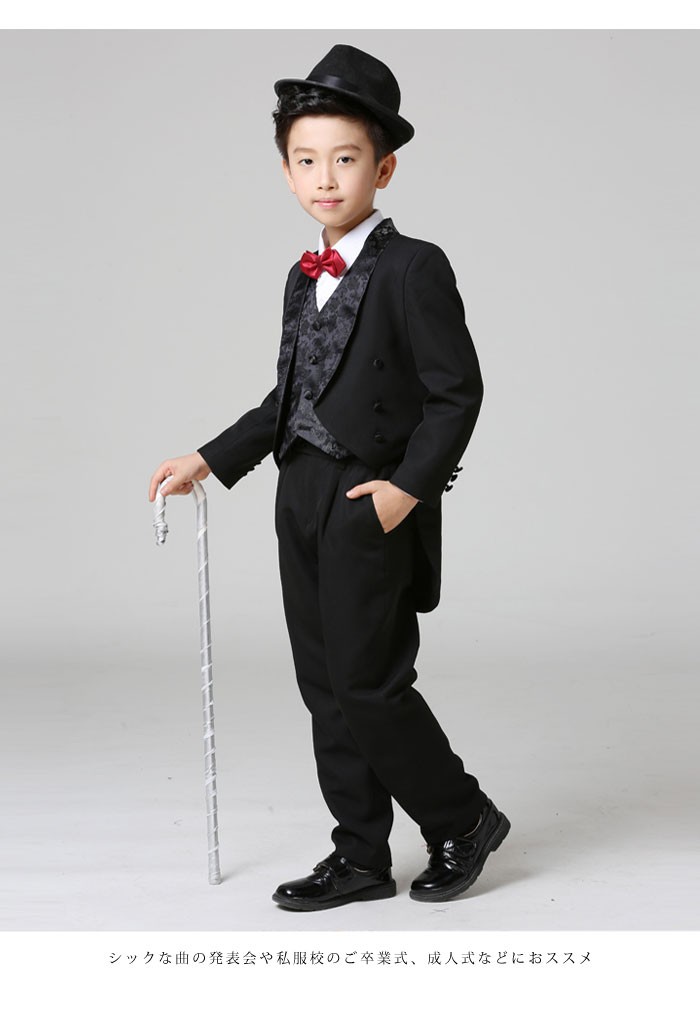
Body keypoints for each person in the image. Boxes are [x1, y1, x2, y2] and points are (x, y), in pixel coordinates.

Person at [148, 44, 510, 911]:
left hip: (367, 499)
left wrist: (404, 491)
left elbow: (457, 392)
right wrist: (211, 457)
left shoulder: (415, 265)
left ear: (383, 168)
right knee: (325, 687)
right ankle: (360, 854)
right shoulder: (299, 276)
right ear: (285, 171)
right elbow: (292, 395)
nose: (325, 178)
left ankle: (463, 816)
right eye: (306, 160)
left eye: (345, 159)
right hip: (299, 493)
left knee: (369, 682)